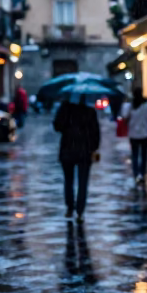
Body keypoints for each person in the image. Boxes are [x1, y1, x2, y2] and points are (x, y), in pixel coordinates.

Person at [53, 92, 100, 221]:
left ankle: (70, 208)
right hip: (84, 151)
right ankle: (80, 211)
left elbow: (57, 126)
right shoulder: (90, 112)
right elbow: (96, 133)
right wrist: (94, 148)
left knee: (68, 181)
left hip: (68, 149)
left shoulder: (66, 110)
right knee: (83, 182)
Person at [120, 88, 147, 184]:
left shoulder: (130, 106)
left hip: (134, 135)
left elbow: (124, 117)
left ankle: (136, 174)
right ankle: (142, 173)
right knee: (144, 155)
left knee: (135, 155)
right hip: (145, 134)